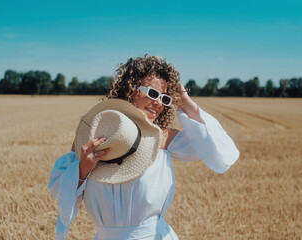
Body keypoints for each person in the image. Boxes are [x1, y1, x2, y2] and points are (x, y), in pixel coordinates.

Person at [48, 55, 240, 240]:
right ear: (130, 89)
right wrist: (82, 170)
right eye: (153, 93)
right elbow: (62, 195)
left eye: (165, 98)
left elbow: (220, 155)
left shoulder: (164, 138)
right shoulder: (92, 140)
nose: (158, 103)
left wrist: (186, 102)